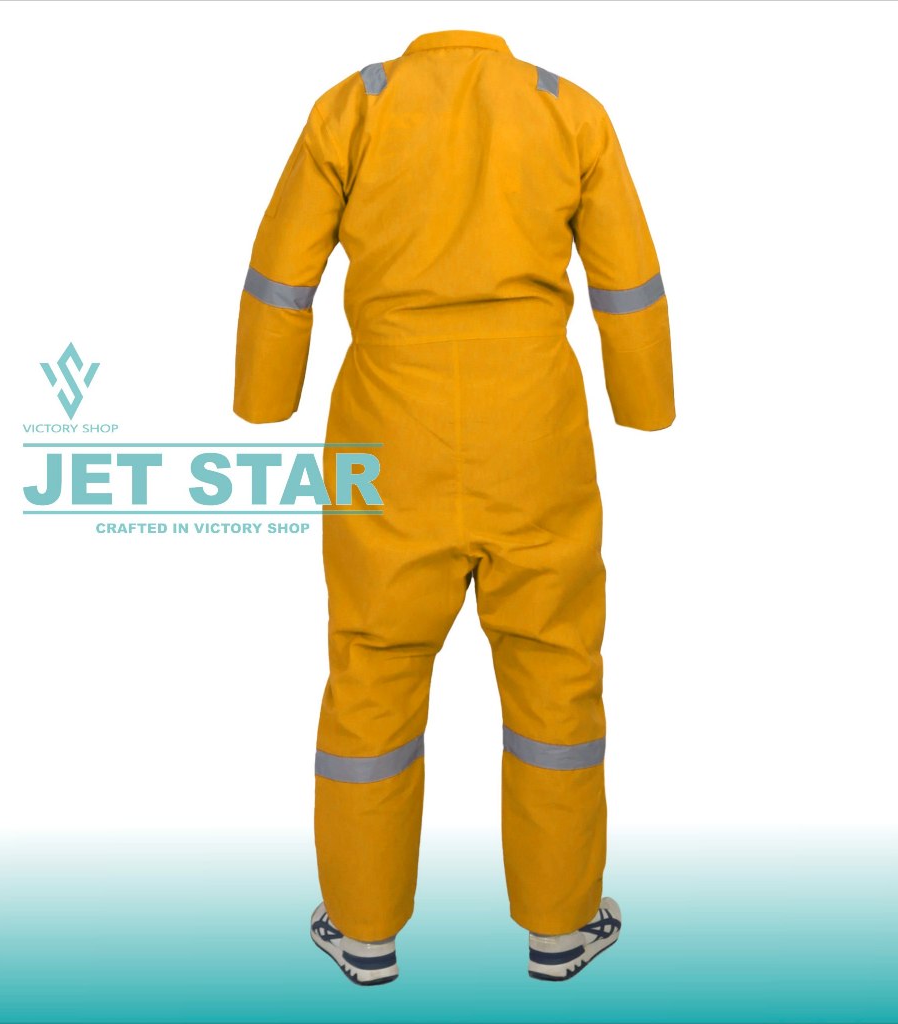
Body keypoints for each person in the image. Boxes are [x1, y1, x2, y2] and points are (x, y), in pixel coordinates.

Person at [234, 29, 675, 985]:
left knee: (373, 665)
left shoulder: (354, 108)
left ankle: (362, 931)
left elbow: (281, 267)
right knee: (555, 667)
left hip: (389, 432)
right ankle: (561, 928)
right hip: (534, 435)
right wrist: (646, 403)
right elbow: (627, 277)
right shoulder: (569, 111)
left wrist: (265, 399)